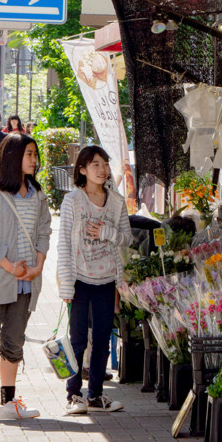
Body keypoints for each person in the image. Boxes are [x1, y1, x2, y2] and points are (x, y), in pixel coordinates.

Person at [0, 133, 51, 420]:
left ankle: (8, 401)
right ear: (13, 157)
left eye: (34, 154)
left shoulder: (38, 194)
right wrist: (7, 263)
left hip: (27, 281)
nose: (34, 160)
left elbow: (44, 232)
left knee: (14, 341)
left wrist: (38, 265)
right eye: (29, 154)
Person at [58, 146, 131, 414]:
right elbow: (64, 243)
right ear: (82, 170)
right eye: (95, 164)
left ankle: (96, 395)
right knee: (78, 339)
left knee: (101, 338)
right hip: (79, 279)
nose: (102, 170)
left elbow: (126, 237)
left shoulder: (117, 201)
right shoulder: (72, 201)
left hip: (106, 278)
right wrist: (66, 283)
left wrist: (106, 232)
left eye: (105, 164)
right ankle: (74, 394)